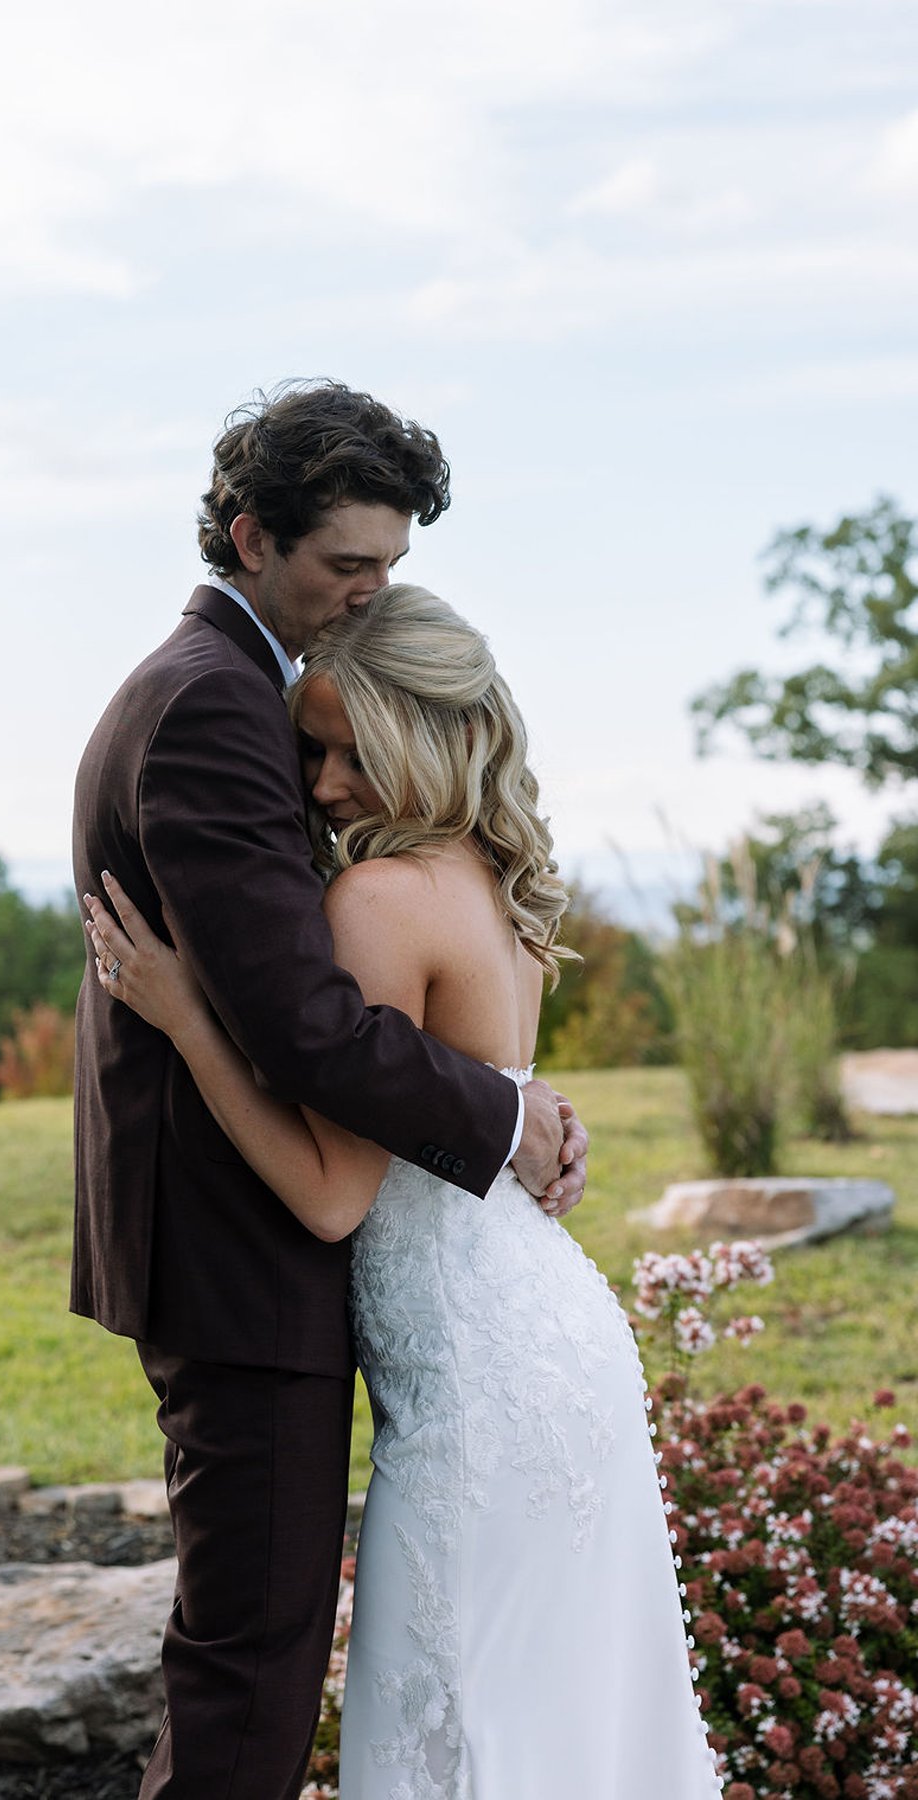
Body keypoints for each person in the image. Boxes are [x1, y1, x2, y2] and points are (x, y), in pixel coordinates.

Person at [85, 585, 724, 1798]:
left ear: (430, 737)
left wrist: (182, 1019)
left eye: (346, 750)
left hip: (473, 1401)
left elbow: (331, 1197)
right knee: (563, 1729)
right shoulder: (498, 885)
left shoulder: (374, 899)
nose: (319, 785)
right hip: (555, 1347)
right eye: (310, 747)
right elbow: (485, 1106)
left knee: (459, 1728)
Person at [71, 382, 589, 1800]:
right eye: (343, 567)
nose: (365, 599)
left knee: (263, 1648)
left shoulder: (237, 690)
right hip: (240, 1248)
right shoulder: (211, 706)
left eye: (388, 572)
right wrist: (499, 1113)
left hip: (281, 1239)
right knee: (251, 1668)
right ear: (248, 535)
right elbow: (304, 1023)